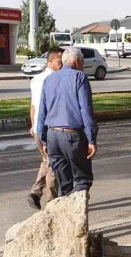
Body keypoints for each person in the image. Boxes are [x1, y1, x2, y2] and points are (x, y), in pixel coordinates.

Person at [35, 47, 98, 197]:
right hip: (72, 136)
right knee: (83, 180)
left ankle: (66, 215)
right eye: (82, 61)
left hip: (52, 137)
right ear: (77, 61)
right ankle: (78, 218)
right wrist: (91, 139)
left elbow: (42, 112)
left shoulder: (49, 79)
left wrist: (44, 141)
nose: (82, 64)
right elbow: (86, 110)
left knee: (64, 184)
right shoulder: (79, 77)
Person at [27, 47, 63, 210]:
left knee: (47, 161)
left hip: (37, 128)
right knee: (53, 166)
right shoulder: (56, 79)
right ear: (50, 61)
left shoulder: (35, 79)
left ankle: (35, 193)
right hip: (49, 128)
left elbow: (33, 105)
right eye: (59, 61)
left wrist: (33, 125)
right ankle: (51, 202)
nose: (61, 64)